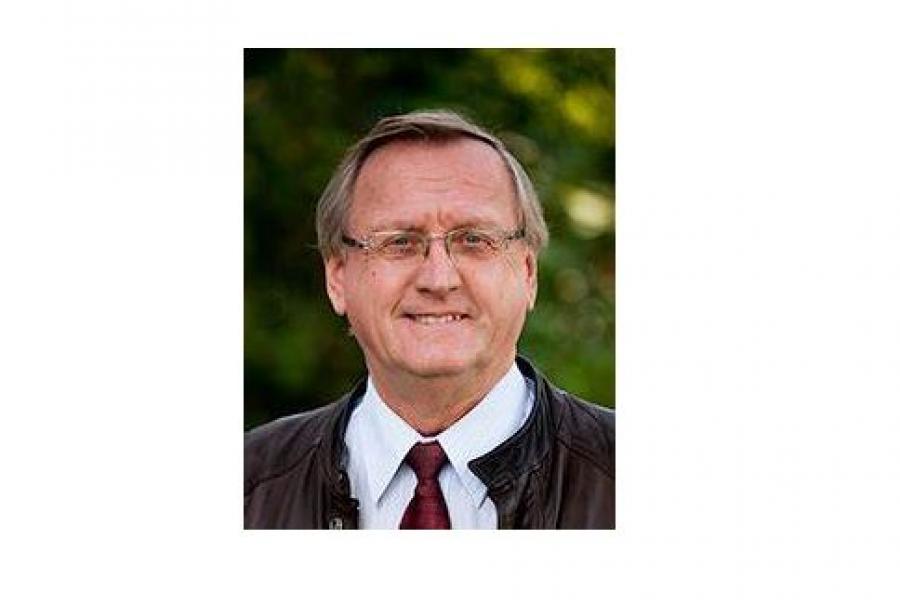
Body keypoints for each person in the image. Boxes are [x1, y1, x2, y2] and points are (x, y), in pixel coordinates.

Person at [244, 110, 614, 529]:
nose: (439, 279)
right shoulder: (248, 487)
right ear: (337, 278)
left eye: (475, 240)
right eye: (399, 243)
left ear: (528, 273)